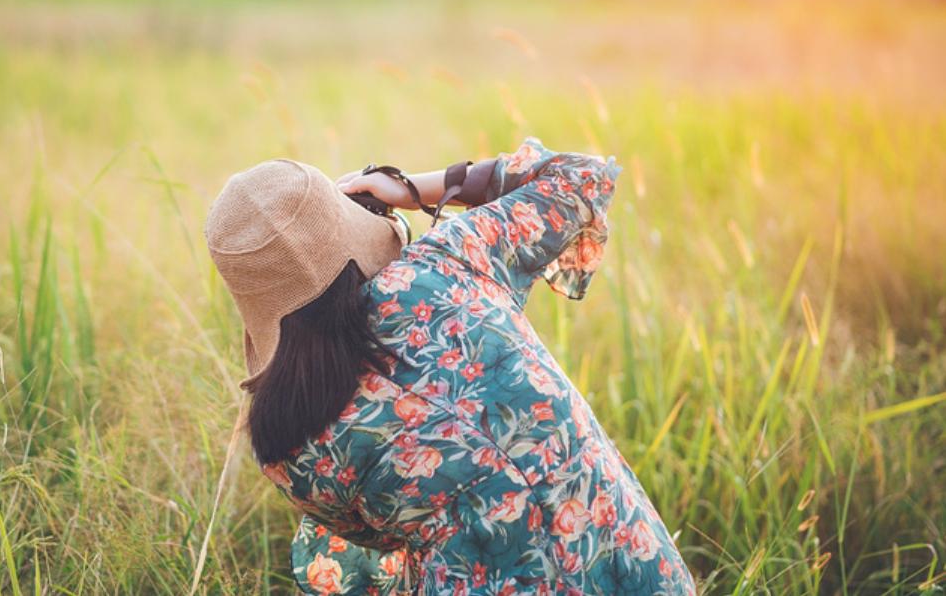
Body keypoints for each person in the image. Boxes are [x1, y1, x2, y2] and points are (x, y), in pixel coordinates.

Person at [204, 137, 696, 595]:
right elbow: (580, 177)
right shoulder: (448, 262)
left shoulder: (286, 442)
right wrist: (412, 188)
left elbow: (376, 542)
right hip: (636, 564)